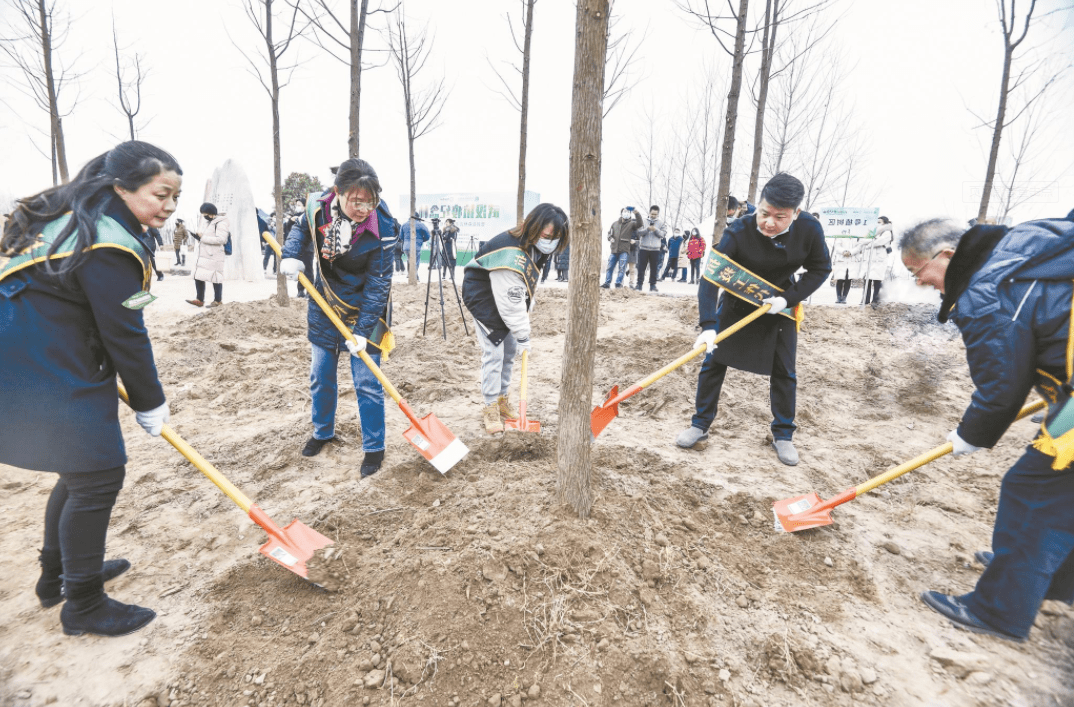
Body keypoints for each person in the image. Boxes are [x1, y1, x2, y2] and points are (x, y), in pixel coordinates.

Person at [0, 140, 180, 637]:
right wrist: (151, 400)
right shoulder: (105, 240)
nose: (168, 206)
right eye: (159, 193)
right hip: (41, 358)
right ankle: (82, 603)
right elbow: (124, 330)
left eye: (175, 198)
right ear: (121, 187)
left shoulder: (81, 216)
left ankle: (55, 577)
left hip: (33, 347)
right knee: (99, 474)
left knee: (80, 469)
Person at [901, 212, 1074, 643]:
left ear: (945, 255)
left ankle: (1000, 609)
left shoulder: (984, 290)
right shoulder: (1025, 242)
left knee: (1033, 491)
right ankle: (1048, 579)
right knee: (1061, 494)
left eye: (917, 272)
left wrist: (971, 434)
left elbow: (1001, 388)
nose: (919, 283)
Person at [676, 173, 831, 466]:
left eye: (780, 217)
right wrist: (708, 325)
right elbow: (710, 278)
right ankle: (700, 425)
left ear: (796, 214)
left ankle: (783, 434)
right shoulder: (740, 229)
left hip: (779, 304)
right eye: (764, 213)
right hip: (738, 299)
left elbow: (820, 269)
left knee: (785, 370)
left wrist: (788, 299)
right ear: (757, 206)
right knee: (712, 363)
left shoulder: (810, 229)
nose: (769, 223)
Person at [280, 158, 395, 477]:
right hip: (325, 301)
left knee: (367, 381)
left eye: (370, 201)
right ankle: (322, 432)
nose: (364, 208)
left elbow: (379, 282)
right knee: (321, 375)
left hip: (366, 308)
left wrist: (363, 330)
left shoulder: (383, 226)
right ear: (337, 193)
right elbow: (300, 230)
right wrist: (291, 255)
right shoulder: (316, 208)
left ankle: (374, 448)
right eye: (357, 201)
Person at [463, 203, 569, 434]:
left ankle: (502, 399)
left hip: (505, 296)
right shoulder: (510, 251)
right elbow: (510, 300)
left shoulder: (536, 247)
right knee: (494, 352)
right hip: (484, 298)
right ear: (533, 226)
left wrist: (521, 327)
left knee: (509, 351)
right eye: (545, 235)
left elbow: (522, 290)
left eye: (555, 237)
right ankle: (490, 405)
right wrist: (523, 332)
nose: (549, 240)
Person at [186, 203, 228, 308]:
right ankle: (199, 299)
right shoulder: (209, 222)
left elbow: (221, 239)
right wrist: (199, 236)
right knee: (198, 275)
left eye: (205, 214)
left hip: (215, 254)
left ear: (210, 213)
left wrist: (202, 238)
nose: (204, 216)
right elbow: (207, 236)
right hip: (206, 254)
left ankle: (218, 301)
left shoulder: (221, 222)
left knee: (216, 277)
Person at [849, 216, 894, 307]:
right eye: (876, 222)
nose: (877, 223)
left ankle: (876, 300)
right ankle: (865, 300)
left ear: (885, 223)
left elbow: (878, 242)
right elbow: (861, 242)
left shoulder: (887, 232)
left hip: (879, 260)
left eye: (879, 222)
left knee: (877, 281)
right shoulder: (870, 232)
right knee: (867, 280)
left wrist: (868, 242)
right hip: (869, 259)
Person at [601, 206, 641, 289]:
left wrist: (636, 212)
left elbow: (640, 224)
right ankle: (607, 283)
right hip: (614, 250)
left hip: (624, 250)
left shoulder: (631, 224)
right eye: (624, 212)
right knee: (609, 267)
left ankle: (618, 284)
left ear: (629, 214)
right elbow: (609, 234)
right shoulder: (615, 224)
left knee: (622, 268)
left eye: (627, 212)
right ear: (621, 213)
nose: (626, 213)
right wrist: (610, 238)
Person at [635, 205, 667, 292]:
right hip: (643, 248)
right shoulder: (643, 221)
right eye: (652, 214)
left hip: (655, 249)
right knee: (641, 267)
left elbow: (663, 235)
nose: (653, 215)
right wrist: (647, 229)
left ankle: (653, 285)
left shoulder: (661, 223)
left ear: (658, 214)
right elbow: (639, 233)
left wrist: (655, 229)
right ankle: (639, 284)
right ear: (649, 213)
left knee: (654, 268)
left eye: (655, 214)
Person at [399, 213, 430, 279]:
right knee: (416, 261)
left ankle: (410, 274)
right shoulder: (421, 225)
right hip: (416, 246)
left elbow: (401, 237)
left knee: (409, 259)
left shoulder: (404, 225)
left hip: (406, 247)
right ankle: (414, 276)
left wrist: (406, 241)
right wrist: (421, 240)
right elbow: (428, 236)